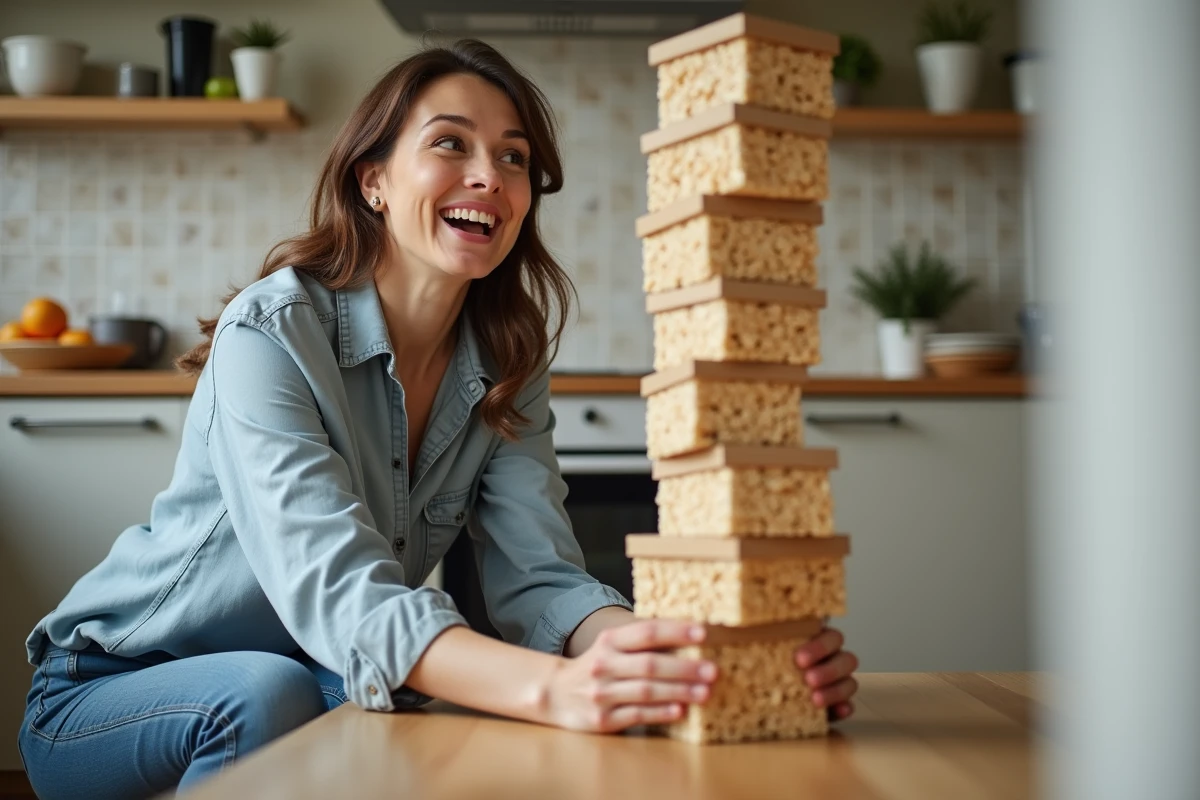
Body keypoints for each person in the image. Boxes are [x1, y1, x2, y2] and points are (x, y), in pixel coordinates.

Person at [17, 39, 858, 799]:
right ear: (373, 180)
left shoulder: (508, 360)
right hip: (104, 691)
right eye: (451, 143)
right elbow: (343, 593)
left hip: (311, 674)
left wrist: (692, 663)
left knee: (446, 703)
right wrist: (554, 689)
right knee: (290, 690)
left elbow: (544, 582)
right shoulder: (272, 335)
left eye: (514, 157)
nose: (490, 175)